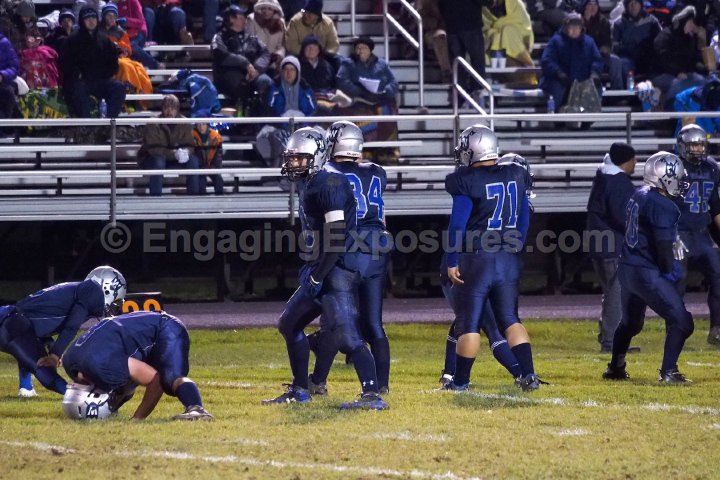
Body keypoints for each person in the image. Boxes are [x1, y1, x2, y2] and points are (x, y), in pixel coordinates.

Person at [262, 127, 388, 410]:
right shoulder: (313, 182)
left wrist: (319, 275)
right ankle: (300, 389)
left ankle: (372, 394)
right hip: (321, 266)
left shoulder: (330, 183)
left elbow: (336, 237)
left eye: (300, 158)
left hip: (336, 268)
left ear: (317, 156)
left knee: (348, 335)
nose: (294, 163)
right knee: (289, 324)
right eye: (291, 158)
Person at [442, 125, 540, 392]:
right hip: (508, 257)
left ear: (473, 150)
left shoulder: (465, 179)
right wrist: (513, 246)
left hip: (478, 258)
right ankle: (528, 375)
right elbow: (523, 220)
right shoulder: (516, 173)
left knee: (469, 324)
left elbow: (457, 225)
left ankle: (460, 381)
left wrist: (451, 260)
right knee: (510, 319)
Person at [306, 121, 392, 395]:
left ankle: (322, 381)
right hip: (377, 249)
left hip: (347, 248)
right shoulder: (376, 172)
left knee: (335, 320)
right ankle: (382, 385)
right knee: (374, 324)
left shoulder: (329, 174)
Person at [603, 151, 694, 383]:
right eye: (677, 177)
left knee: (630, 323)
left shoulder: (639, 193)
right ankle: (669, 372)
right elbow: (663, 248)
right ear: (664, 177)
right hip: (646, 271)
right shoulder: (663, 206)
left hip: (627, 268)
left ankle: (615, 367)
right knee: (682, 321)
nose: (680, 182)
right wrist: (669, 270)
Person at [62, 310, 213, 420]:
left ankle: (197, 409)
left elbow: (155, 380)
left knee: (169, 379)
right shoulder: (70, 362)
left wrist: (137, 418)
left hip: (165, 329)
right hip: (143, 328)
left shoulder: (102, 367)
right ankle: (114, 406)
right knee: (123, 381)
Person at [0, 266, 125, 398]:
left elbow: (36, 323)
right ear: (108, 288)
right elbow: (72, 325)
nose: (114, 305)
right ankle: (82, 397)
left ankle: (26, 389)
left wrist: (51, 346)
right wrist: (55, 354)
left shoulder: (80, 290)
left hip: (14, 320)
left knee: (32, 352)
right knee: (44, 368)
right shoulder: (93, 290)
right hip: (10, 321)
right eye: (115, 301)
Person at [586, 142, 639, 353]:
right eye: (633, 159)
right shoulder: (618, 182)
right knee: (617, 294)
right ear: (625, 161)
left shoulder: (603, 177)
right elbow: (623, 216)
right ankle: (611, 341)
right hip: (612, 245)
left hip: (600, 243)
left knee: (611, 292)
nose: (636, 163)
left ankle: (608, 337)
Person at [674, 124, 720, 346]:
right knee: (677, 284)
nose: (698, 149)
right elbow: (664, 205)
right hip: (679, 233)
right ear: (682, 146)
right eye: (693, 145)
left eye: (701, 145)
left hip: (702, 233)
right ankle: (675, 329)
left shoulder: (712, 168)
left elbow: (715, 205)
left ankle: (717, 329)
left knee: (718, 277)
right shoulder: (673, 168)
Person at [336, 36, 400, 164]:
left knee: (387, 112)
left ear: (370, 50)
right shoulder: (348, 63)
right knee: (363, 116)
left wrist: (386, 91)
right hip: (359, 100)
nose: (360, 50)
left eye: (363, 48)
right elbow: (341, 80)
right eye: (358, 48)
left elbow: (393, 82)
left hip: (380, 98)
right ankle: (366, 149)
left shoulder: (382, 64)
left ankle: (386, 151)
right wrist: (359, 90)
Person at [59, 6, 126, 119]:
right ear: (82, 20)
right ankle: (87, 124)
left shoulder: (104, 39)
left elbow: (113, 62)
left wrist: (106, 74)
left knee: (118, 87)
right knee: (78, 89)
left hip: (100, 80)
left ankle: (110, 122)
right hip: (81, 82)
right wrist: (78, 74)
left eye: (93, 18)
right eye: (87, 18)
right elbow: (65, 63)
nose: (91, 21)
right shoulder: (72, 39)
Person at [211, 4, 273, 113]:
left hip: (252, 74)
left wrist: (257, 69)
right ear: (231, 19)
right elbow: (222, 55)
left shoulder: (251, 37)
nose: (245, 19)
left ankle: (264, 117)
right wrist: (245, 63)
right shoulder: (219, 37)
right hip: (229, 77)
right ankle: (242, 117)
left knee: (266, 81)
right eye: (241, 17)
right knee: (239, 83)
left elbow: (265, 53)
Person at [540, 13, 604, 111]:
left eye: (577, 27)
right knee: (557, 88)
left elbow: (597, 60)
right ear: (566, 27)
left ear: (581, 28)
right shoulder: (555, 41)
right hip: (559, 80)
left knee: (596, 88)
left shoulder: (589, 42)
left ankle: (590, 116)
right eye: (571, 27)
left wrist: (594, 73)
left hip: (583, 80)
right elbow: (547, 60)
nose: (574, 30)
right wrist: (558, 73)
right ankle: (555, 115)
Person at [139, 94, 200, 196]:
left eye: (172, 108)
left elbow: (190, 145)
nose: (169, 111)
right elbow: (153, 149)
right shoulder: (153, 123)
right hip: (152, 158)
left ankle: (193, 196)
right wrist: (174, 154)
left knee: (193, 160)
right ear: (162, 109)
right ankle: (155, 197)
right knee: (158, 161)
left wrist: (185, 152)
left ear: (177, 110)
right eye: (166, 108)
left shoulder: (185, 123)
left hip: (175, 159)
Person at [652, 6, 707, 109]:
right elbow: (663, 58)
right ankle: (667, 108)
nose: (692, 27)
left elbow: (691, 59)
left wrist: (701, 66)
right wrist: (677, 72)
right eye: (690, 23)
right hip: (661, 74)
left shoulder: (689, 39)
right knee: (679, 84)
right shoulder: (665, 35)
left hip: (682, 74)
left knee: (701, 80)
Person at [611, 0, 661, 84]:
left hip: (647, 58)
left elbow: (660, 40)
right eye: (631, 3)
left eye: (636, 3)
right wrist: (630, 47)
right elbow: (614, 47)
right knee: (623, 64)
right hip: (628, 57)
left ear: (641, 5)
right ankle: (626, 90)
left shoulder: (652, 21)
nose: (633, 6)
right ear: (626, 6)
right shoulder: (618, 24)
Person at [246, 0, 286, 78]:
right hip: (255, 63)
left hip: (273, 63)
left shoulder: (280, 23)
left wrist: (278, 55)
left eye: (270, 9)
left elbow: (281, 45)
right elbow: (250, 44)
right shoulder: (252, 20)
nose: (266, 11)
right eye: (263, 8)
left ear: (275, 10)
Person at [192, 116, 224, 195]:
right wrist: (202, 167)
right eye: (198, 124)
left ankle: (220, 197)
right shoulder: (192, 136)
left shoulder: (216, 137)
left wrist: (215, 166)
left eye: (203, 124)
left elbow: (218, 155)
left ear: (207, 125)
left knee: (218, 179)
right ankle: (202, 199)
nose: (201, 127)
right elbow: (194, 154)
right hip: (200, 166)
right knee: (201, 181)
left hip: (212, 164)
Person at [0, 29, 20, 120]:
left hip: (3, 84)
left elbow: (14, 67)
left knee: (7, 92)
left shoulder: (4, 43)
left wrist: (2, 75)